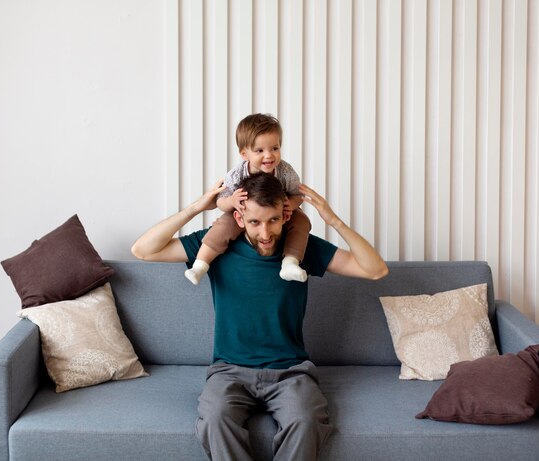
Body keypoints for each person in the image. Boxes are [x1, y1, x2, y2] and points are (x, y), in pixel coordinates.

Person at [131, 173, 388, 461]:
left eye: (273, 221)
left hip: (290, 373)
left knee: (306, 420)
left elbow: (375, 269)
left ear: (285, 216)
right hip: (229, 372)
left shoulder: (302, 248)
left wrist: (334, 221)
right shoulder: (215, 246)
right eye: (254, 222)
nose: (265, 233)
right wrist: (196, 208)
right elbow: (143, 250)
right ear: (239, 219)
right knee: (215, 419)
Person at [184, 113, 312, 285]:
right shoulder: (237, 175)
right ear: (244, 154)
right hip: (245, 213)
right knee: (224, 225)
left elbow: (298, 194)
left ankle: (290, 262)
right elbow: (220, 202)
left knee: (302, 221)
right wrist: (232, 202)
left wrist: (291, 203)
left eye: (275, 148)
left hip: (278, 212)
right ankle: (200, 264)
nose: (269, 156)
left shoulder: (285, 171)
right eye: (260, 151)